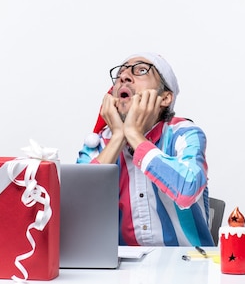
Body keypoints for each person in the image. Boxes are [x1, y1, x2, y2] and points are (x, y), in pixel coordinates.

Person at [77, 53, 213, 246]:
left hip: (187, 265)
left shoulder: (183, 134)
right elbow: (77, 212)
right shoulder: (98, 144)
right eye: (120, 74)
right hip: (120, 270)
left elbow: (188, 190)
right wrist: (117, 138)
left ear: (165, 98)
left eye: (141, 70)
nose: (124, 76)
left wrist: (134, 135)